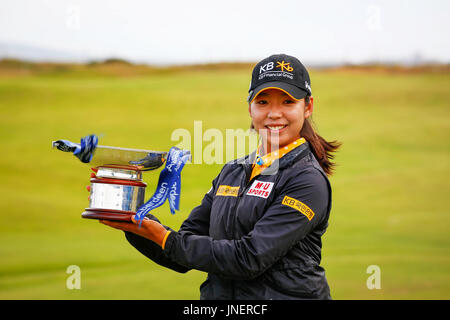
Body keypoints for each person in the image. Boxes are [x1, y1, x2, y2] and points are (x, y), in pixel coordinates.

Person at [98, 54, 341, 300]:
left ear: (308, 107)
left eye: (288, 102)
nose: (274, 113)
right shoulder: (233, 171)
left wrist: (165, 238)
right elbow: (183, 249)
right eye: (263, 101)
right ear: (250, 108)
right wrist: (132, 215)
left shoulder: (308, 181)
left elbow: (248, 258)